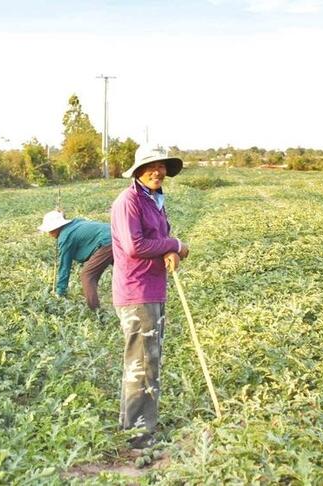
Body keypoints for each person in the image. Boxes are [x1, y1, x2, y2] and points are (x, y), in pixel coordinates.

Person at [110, 145, 189, 448]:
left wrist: (169, 248)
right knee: (143, 363)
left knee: (144, 361)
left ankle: (134, 426)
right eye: (150, 166)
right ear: (138, 171)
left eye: (162, 166)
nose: (157, 171)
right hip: (137, 290)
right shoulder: (129, 201)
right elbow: (135, 246)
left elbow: (155, 241)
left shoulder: (154, 200)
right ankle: (140, 436)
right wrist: (176, 244)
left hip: (152, 288)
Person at [37, 210, 114, 309]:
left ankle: (95, 311)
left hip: (108, 242)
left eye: (50, 230)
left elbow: (64, 267)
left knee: (87, 275)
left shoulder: (65, 237)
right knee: (123, 272)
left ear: (55, 228)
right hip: (117, 235)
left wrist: (60, 291)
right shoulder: (75, 224)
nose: (49, 234)